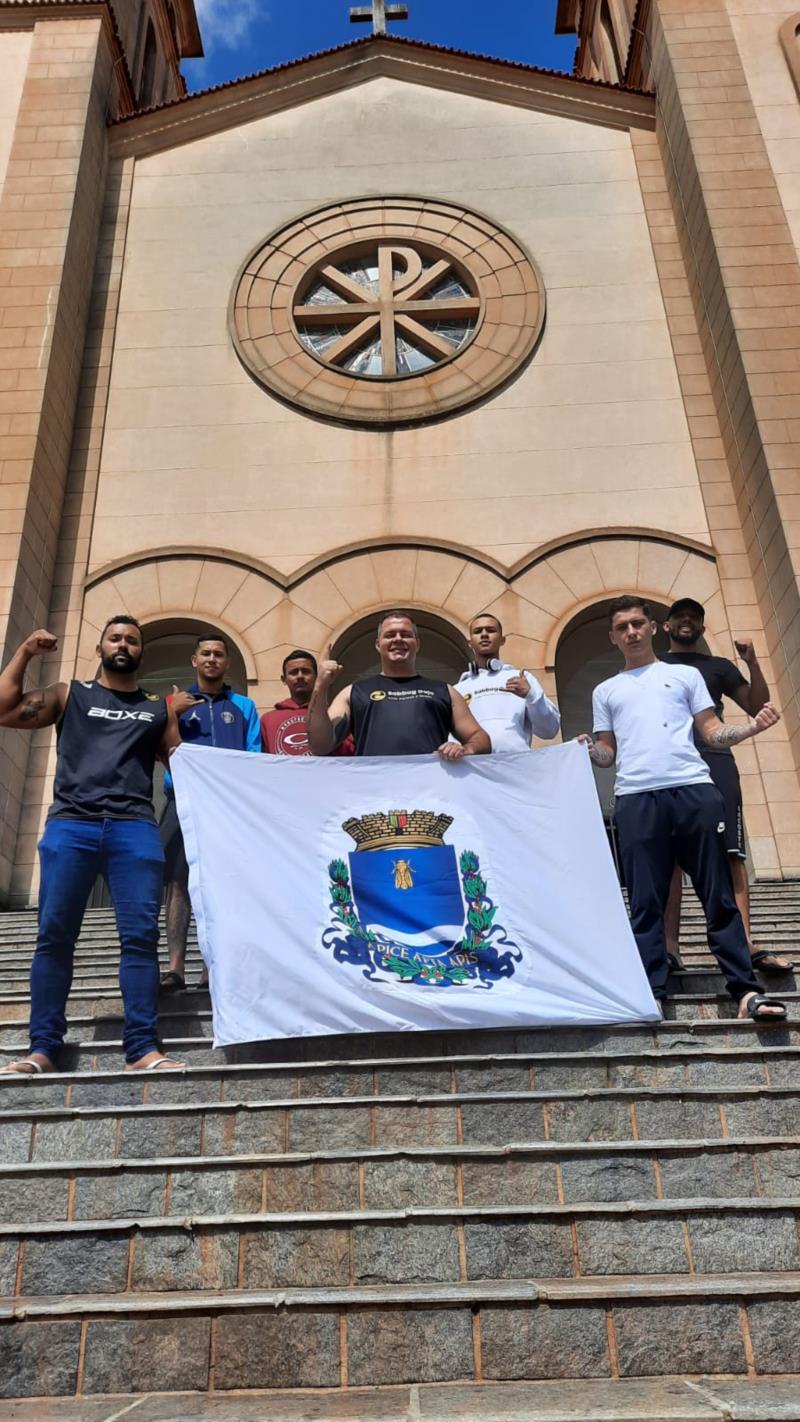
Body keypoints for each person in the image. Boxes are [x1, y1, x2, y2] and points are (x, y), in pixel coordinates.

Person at [580, 595, 786, 1022]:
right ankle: (652, 992)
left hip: (694, 791)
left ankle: (745, 992)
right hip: (636, 799)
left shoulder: (685, 675)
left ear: (654, 627)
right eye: (623, 628)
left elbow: (710, 732)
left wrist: (750, 727)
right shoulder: (606, 690)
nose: (632, 632)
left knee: (717, 895)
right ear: (613, 637)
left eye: (638, 623)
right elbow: (607, 753)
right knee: (644, 902)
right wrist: (589, 750)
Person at [0, 618, 185, 1075]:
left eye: (132, 640)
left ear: (142, 652)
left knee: (140, 939)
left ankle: (141, 1049)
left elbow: (182, 765)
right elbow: (5, 710)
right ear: (101, 646)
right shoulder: (69, 694)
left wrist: (175, 715)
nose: (123, 645)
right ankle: (43, 1048)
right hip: (71, 826)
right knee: (54, 936)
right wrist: (23, 653)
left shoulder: (155, 707)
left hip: (134, 827)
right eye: (115, 638)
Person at [660, 596, 792, 975]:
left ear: (702, 628)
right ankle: (670, 947)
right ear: (666, 626)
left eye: (694, 618)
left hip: (714, 759)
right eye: (680, 617)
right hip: (669, 764)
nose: (687, 622)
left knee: (730, 853)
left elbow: (757, 705)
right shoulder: (652, 667)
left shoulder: (718, 666)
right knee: (670, 858)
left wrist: (751, 661)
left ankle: (745, 942)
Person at [159, 633, 261, 993]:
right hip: (182, 802)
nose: (212, 659)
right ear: (194, 660)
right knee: (178, 885)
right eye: (206, 653)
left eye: (219, 654)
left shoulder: (245, 707)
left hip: (227, 807)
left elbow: (252, 756)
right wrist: (171, 712)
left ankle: (210, 968)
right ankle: (175, 968)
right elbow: (161, 751)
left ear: (227, 662)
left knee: (221, 886)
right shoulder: (174, 702)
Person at [306, 610, 490, 758]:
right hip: (375, 795)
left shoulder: (444, 691)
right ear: (378, 644)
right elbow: (320, 745)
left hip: (429, 795)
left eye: (406, 634)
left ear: (417, 644)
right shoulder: (354, 692)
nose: (398, 639)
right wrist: (320, 687)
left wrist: (465, 750)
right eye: (390, 635)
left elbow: (480, 738)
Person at [457, 611, 560, 750]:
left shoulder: (522, 678)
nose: (484, 634)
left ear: (502, 640)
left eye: (491, 630)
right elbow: (451, 736)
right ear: (470, 643)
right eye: (477, 631)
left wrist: (531, 696)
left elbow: (549, 730)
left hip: (516, 765)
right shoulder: (459, 688)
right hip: (475, 766)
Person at [261, 650, 354, 756]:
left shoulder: (335, 714)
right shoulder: (267, 720)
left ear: (317, 676)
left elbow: (348, 752)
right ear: (284, 679)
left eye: (306, 671)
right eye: (293, 672)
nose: (300, 676)